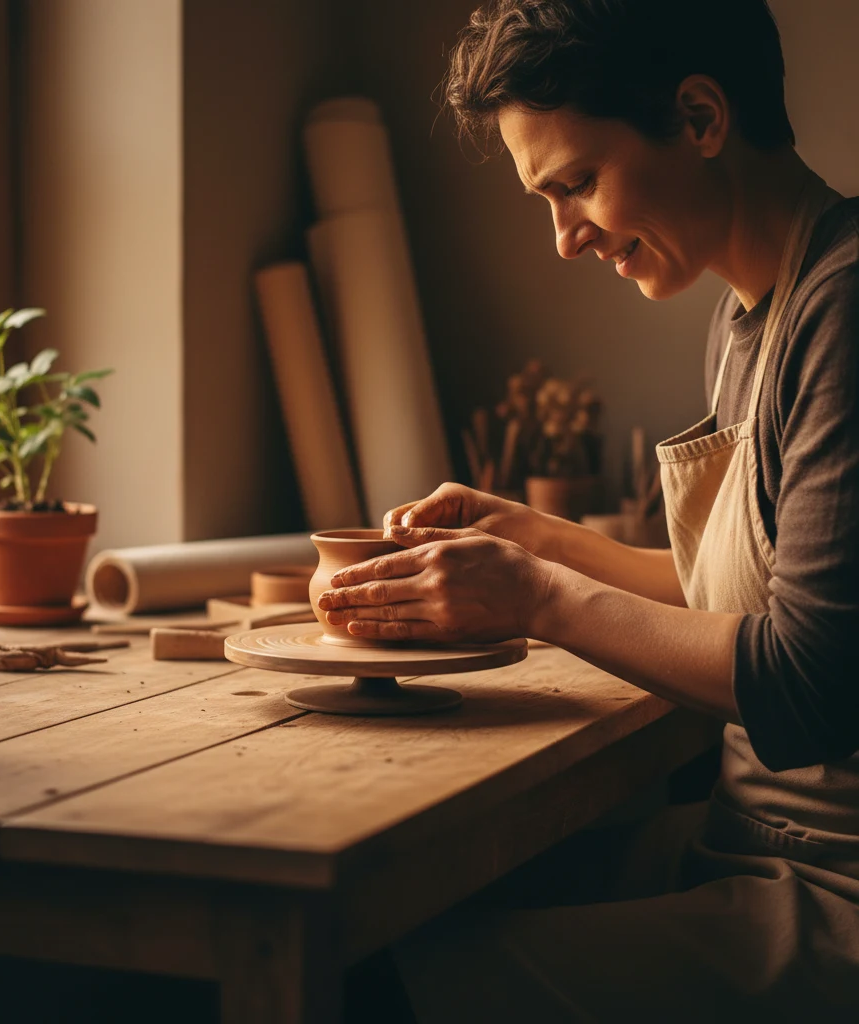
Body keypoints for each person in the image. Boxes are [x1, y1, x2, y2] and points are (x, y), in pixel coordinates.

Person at [320, 0, 859, 1019]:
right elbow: (743, 597)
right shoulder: (750, 314)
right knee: (431, 915)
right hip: (750, 840)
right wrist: (531, 536)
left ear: (699, 118)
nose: (565, 238)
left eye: (575, 183)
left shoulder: (846, 310)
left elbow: (810, 680)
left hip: (835, 888)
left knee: (381, 984)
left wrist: (533, 595)